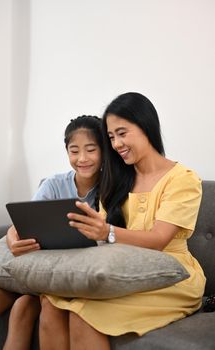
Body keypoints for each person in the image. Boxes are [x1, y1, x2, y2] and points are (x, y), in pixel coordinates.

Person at [38, 92, 206, 350]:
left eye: (122, 133)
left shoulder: (182, 179)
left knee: (83, 314)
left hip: (172, 275)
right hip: (123, 269)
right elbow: (100, 240)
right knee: (51, 304)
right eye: (112, 136)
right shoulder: (116, 179)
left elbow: (159, 239)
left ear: (146, 126)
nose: (116, 144)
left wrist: (107, 232)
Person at [0, 115, 103, 350]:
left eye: (91, 149)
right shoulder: (54, 184)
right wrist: (12, 241)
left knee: (23, 308)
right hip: (35, 271)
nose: (82, 158)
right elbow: (20, 226)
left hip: (65, 277)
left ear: (104, 151)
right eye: (74, 150)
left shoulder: (112, 188)